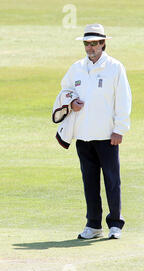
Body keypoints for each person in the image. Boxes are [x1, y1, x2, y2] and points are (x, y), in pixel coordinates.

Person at [55, 24, 131, 240]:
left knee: (111, 180)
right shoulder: (77, 68)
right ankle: (93, 225)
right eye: (87, 44)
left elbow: (124, 100)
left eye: (94, 43)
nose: (90, 48)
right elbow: (65, 89)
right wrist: (71, 101)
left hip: (108, 135)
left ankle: (115, 224)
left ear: (103, 43)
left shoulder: (115, 67)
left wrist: (119, 129)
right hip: (83, 135)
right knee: (89, 182)